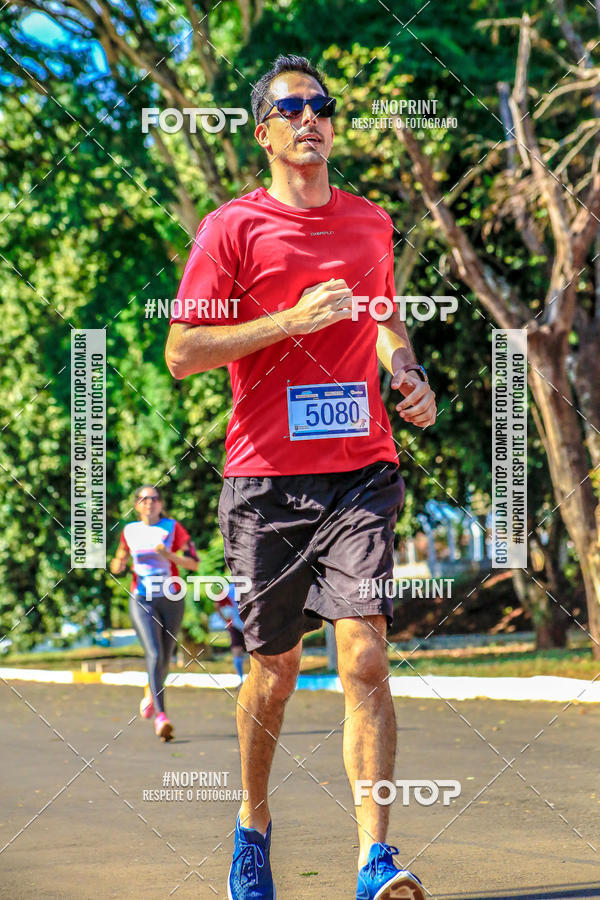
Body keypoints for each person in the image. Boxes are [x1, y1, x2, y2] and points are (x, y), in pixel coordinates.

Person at [165, 54, 436, 900]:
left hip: (360, 467)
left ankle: (374, 860)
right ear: (265, 132)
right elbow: (180, 353)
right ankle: (253, 823)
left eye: (323, 104)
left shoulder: (369, 223)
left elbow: (385, 315)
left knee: (364, 656)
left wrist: (406, 370)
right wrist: (289, 320)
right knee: (274, 674)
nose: (312, 117)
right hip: (266, 480)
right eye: (294, 108)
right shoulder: (231, 229)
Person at [109, 485, 199, 742]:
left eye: (155, 498)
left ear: (161, 504)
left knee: (166, 658)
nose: (150, 503)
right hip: (142, 598)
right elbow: (119, 561)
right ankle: (162, 717)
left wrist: (168, 554)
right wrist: (118, 564)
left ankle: (151, 691)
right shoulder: (130, 531)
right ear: (137, 504)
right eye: (144, 499)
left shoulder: (173, 528)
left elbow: (193, 562)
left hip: (171, 596)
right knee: (154, 652)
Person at [214, 582, 247, 686]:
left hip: (243, 624)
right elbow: (217, 605)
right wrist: (226, 621)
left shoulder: (228, 589)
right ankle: (241, 679)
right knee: (238, 651)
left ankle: (246, 679)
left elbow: (216, 605)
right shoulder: (228, 589)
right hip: (239, 625)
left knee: (245, 653)